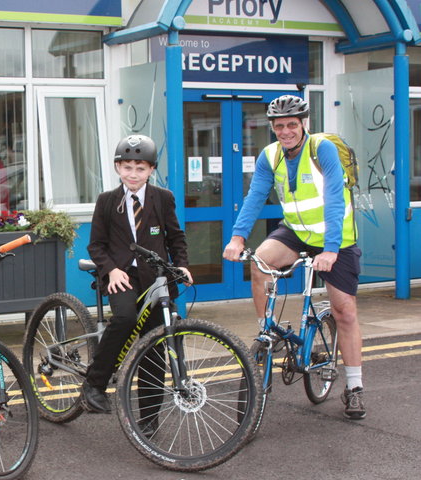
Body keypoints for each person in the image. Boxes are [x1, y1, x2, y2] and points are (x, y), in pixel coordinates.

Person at [222, 94, 365, 419]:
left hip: (336, 239)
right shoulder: (270, 156)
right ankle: (267, 333)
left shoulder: (321, 149)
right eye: (279, 126)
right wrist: (237, 237)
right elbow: (255, 195)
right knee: (260, 262)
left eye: (291, 125)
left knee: (344, 312)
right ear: (272, 128)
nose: (285, 131)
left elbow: (333, 199)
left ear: (304, 125)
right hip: (298, 232)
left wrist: (329, 250)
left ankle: (355, 387)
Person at [82, 134, 193, 435]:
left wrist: (181, 264)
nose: (133, 174)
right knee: (125, 318)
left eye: (140, 168)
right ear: (118, 168)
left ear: (151, 170)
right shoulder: (107, 201)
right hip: (121, 277)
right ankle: (94, 384)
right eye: (127, 167)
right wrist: (112, 270)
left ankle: (149, 417)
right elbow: (96, 246)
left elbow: (175, 237)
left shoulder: (163, 198)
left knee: (154, 347)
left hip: (155, 279)